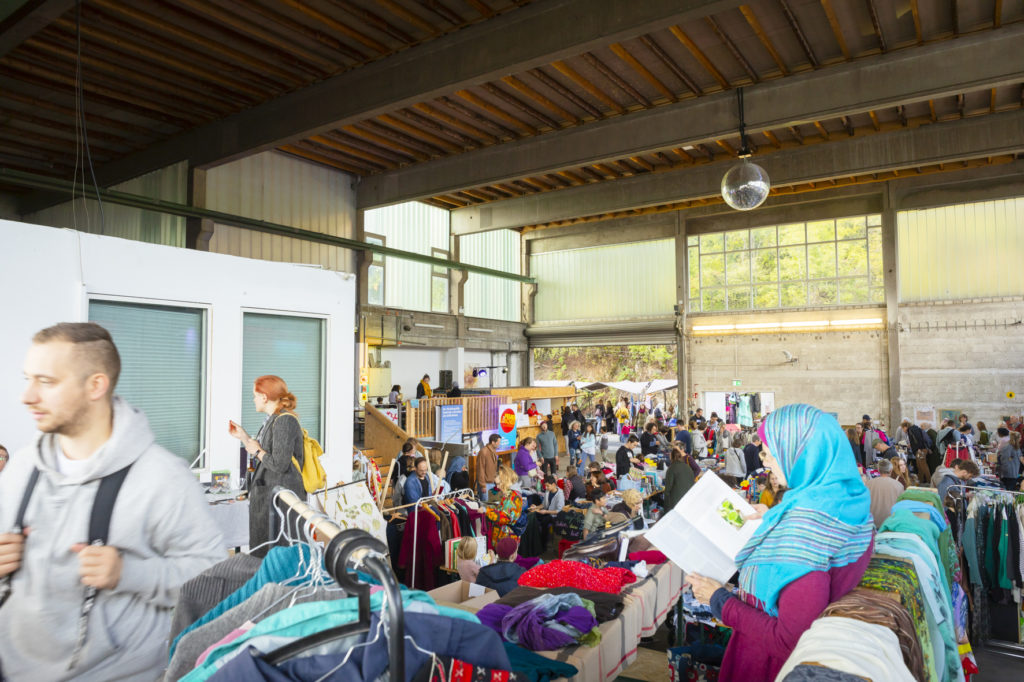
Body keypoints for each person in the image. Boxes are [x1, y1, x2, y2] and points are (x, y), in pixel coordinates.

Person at [0, 322, 224, 680]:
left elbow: (215, 581)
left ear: (96, 385)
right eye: (28, 379)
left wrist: (129, 573)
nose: (27, 396)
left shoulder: (161, 477)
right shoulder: (20, 468)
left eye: (46, 381)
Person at [685, 404, 875, 682]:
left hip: (770, 665)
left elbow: (789, 639)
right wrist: (775, 518)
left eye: (770, 452)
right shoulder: (849, 502)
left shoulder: (803, 527)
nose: (766, 461)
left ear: (801, 453)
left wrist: (719, 599)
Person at [230, 374, 306, 555]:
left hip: (281, 500)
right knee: (265, 551)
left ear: (264, 397)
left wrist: (256, 450)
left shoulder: (284, 420)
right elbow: (265, 452)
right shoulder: (273, 419)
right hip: (271, 497)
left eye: (255, 395)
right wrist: (244, 437)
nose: (253, 399)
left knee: (279, 553)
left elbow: (279, 463)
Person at [485, 466, 523, 545]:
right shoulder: (509, 493)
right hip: (503, 536)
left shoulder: (513, 496)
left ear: (506, 481)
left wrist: (487, 511)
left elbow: (505, 517)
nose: (497, 487)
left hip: (507, 539)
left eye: (499, 484)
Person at [866, 458, 905, 528]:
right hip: (890, 524)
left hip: (871, 524)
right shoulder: (898, 485)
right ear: (890, 470)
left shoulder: (868, 484)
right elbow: (902, 507)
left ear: (878, 470)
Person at [529, 475, 565, 547]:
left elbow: (559, 511)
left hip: (555, 516)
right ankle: (537, 540)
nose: (546, 488)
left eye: (548, 486)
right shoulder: (548, 491)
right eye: (545, 486)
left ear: (554, 485)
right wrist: (535, 508)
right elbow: (543, 504)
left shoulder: (560, 495)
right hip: (547, 512)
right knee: (534, 516)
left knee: (544, 521)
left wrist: (545, 512)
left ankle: (543, 543)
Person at [663, 446, 696, 512]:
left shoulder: (672, 468)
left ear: (671, 457)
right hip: (689, 499)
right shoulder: (687, 467)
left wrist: (666, 506)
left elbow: (668, 489)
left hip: (677, 501)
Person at [476, 433, 500, 498]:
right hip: (485, 484)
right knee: (485, 504)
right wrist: (483, 485)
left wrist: (497, 482)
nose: (499, 444)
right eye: (498, 442)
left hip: (492, 482)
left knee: (492, 504)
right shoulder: (483, 452)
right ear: (493, 442)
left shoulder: (494, 451)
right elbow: (480, 469)